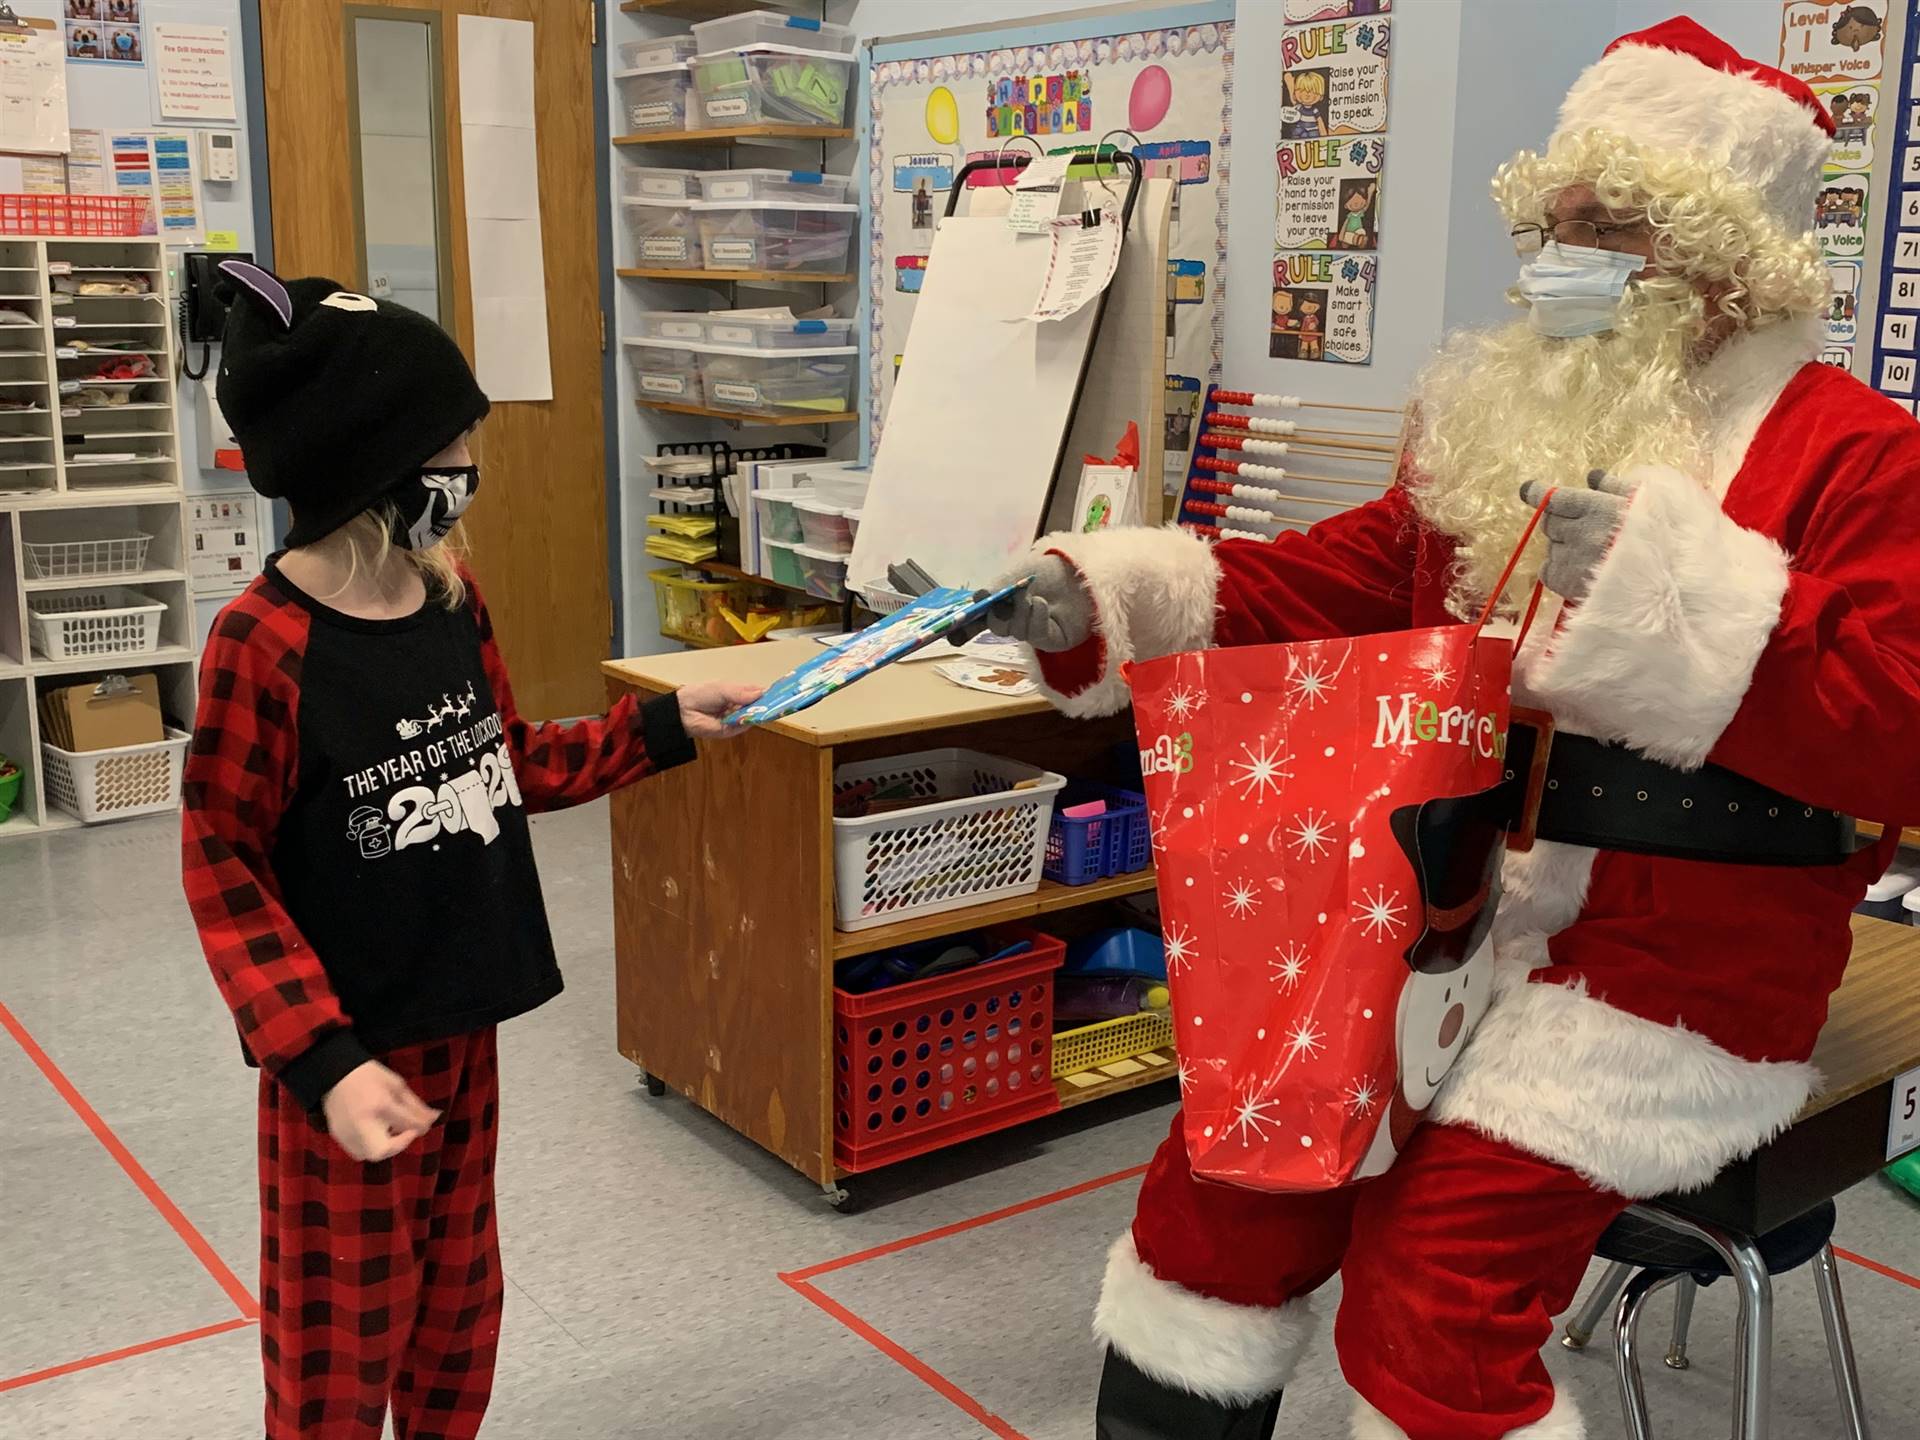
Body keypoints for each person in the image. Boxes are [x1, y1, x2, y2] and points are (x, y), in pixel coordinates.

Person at [968, 18, 1920, 1439]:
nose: (1566, 266)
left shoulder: (1852, 452)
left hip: (1667, 971)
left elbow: (1895, 729)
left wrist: (1672, 597)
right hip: (1435, 910)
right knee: (1224, 1191)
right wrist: (1101, 596)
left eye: (1615, 234)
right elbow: (1350, 577)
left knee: (1429, 1296)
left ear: (1728, 261)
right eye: (1558, 226)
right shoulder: (1490, 426)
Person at [181, 263, 759, 1440]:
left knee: (455, 1321)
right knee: (341, 1346)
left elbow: (509, 764)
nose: (467, 473)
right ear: (368, 463)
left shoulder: (453, 600)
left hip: (462, 1032)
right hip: (346, 1063)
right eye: (449, 448)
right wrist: (324, 1059)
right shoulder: (262, 644)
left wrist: (659, 725)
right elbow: (223, 869)